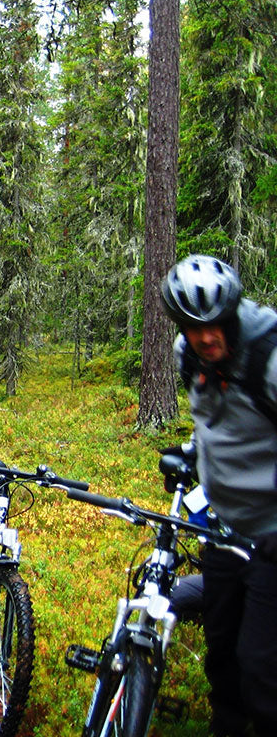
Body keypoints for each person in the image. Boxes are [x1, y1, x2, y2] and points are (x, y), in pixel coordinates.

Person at [160, 254, 277, 737]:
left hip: (273, 535)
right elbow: (212, 419)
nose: (205, 338)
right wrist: (192, 454)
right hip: (225, 529)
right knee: (222, 652)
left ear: (231, 314)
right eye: (192, 327)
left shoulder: (267, 355)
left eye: (214, 326)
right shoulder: (186, 354)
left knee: (261, 664)